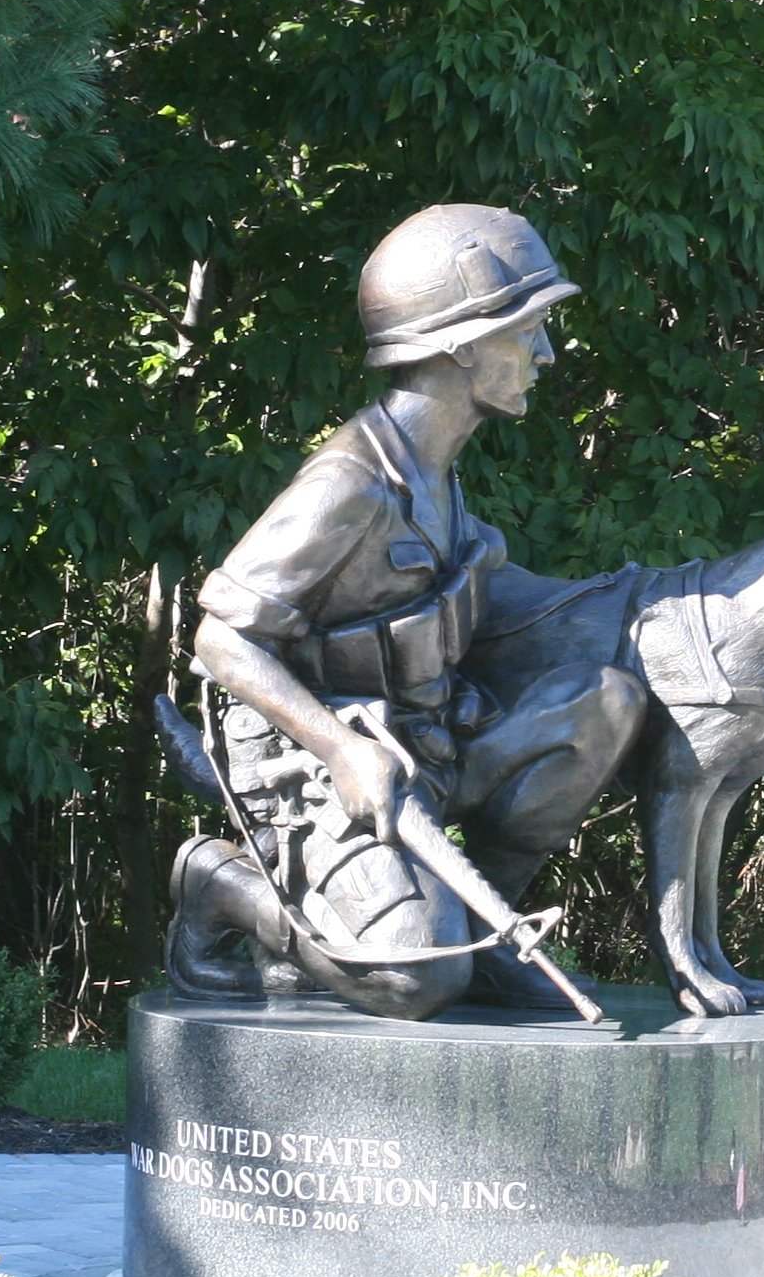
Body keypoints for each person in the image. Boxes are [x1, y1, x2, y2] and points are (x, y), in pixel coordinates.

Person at [165, 205, 648, 1016]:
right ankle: (220, 883)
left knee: (606, 702)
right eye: (527, 329)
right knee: (418, 979)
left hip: (431, 741)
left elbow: (487, 605)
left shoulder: (439, 476)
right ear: (461, 344)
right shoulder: (348, 485)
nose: (546, 353)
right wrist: (342, 752)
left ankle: (493, 937)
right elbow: (222, 637)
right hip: (324, 771)